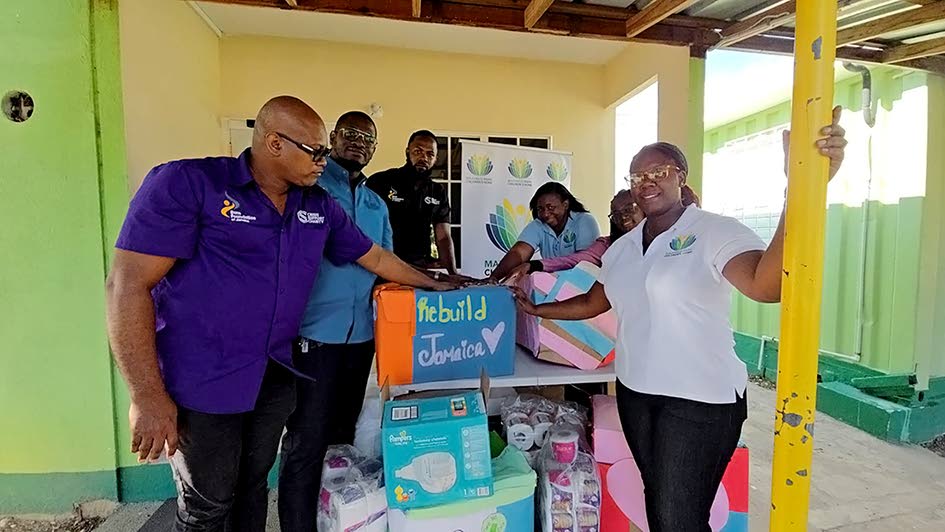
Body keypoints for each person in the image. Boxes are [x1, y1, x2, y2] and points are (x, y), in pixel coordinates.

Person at [104, 96, 452, 532]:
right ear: (273, 143)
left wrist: (437, 284)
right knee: (208, 505)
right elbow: (127, 284)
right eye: (316, 150)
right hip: (202, 382)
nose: (325, 160)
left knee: (252, 487)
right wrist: (147, 395)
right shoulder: (190, 184)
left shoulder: (318, 206)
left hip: (274, 377)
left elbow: (376, 257)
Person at [514, 107, 847, 532]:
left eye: (659, 171)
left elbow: (767, 286)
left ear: (681, 177)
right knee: (663, 507)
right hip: (636, 395)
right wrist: (538, 310)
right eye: (637, 176)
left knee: (676, 519)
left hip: (700, 401)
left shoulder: (714, 231)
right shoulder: (622, 248)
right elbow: (596, 302)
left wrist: (798, 189)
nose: (646, 181)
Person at [278, 111, 391, 532]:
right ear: (333, 139)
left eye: (369, 138)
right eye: (351, 134)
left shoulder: (377, 203)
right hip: (313, 338)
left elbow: (386, 265)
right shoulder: (308, 189)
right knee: (307, 439)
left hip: (361, 339)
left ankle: (338, 520)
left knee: (344, 435)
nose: (359, 142)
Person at [504, 185, 699, 282]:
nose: (622, 217)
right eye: (615, 213)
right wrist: (533, 266)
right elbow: (580, 262)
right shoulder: (609, 245)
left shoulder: (674, 240)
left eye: (628, 209)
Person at [368, 129, 460, 279]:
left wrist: (452, 273)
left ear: (436, 159)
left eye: (430, 154)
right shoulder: (381, 181)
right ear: (407, 152)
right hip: (384, 266)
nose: (423, 157)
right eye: (418, 151)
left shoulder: (437, 191)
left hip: (420, 269)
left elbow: (443, 237)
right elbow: (366, 229)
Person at [488, 182, 601, 282]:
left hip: (581, 286)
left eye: (550, 207)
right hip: (551, 285)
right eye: (540, 209)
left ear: (565, 205)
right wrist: (493, 278)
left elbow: (584, 264)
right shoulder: (538, 224)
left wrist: (536, 266)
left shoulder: (585, 221)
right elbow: (519, 253)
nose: (546, 214)